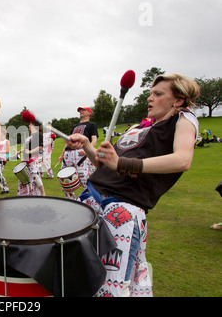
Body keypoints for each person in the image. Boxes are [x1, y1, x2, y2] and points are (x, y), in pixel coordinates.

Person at [68, 74, 200, 297]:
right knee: (80, 274)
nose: (150, 98)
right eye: (150, 93)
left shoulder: (184, 119)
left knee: (108, 285)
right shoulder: (138, 127)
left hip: (121, 210)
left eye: (158, 94)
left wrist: (122, 163)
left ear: (178, 100)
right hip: (92, 199)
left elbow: (182, 160)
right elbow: (104, 167)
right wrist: (87, 148)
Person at [58, 107, 98, 199]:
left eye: (83, 110)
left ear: (89, 113)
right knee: (64, 180)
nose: (80, 112)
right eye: (80, 111)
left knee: (84, 178)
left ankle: (91, 201)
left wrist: (87, 150)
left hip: (80, 153)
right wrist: (62, 154)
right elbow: (69, 141)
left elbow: (94, 140)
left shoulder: (91, 124)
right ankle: (71, 200)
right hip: (68, 153)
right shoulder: (74, 126)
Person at [17, 119, 46, 196]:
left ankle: (42, 193)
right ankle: (24, 194)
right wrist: (20, 151)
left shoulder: (38, 134)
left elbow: (40, 146)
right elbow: (27, 147)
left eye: (30, 124)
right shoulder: (30, 136)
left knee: (34, 176)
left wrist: (30, 152)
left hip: (33, 158)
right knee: (24, 177)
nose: (29, 125)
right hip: (25, 159)